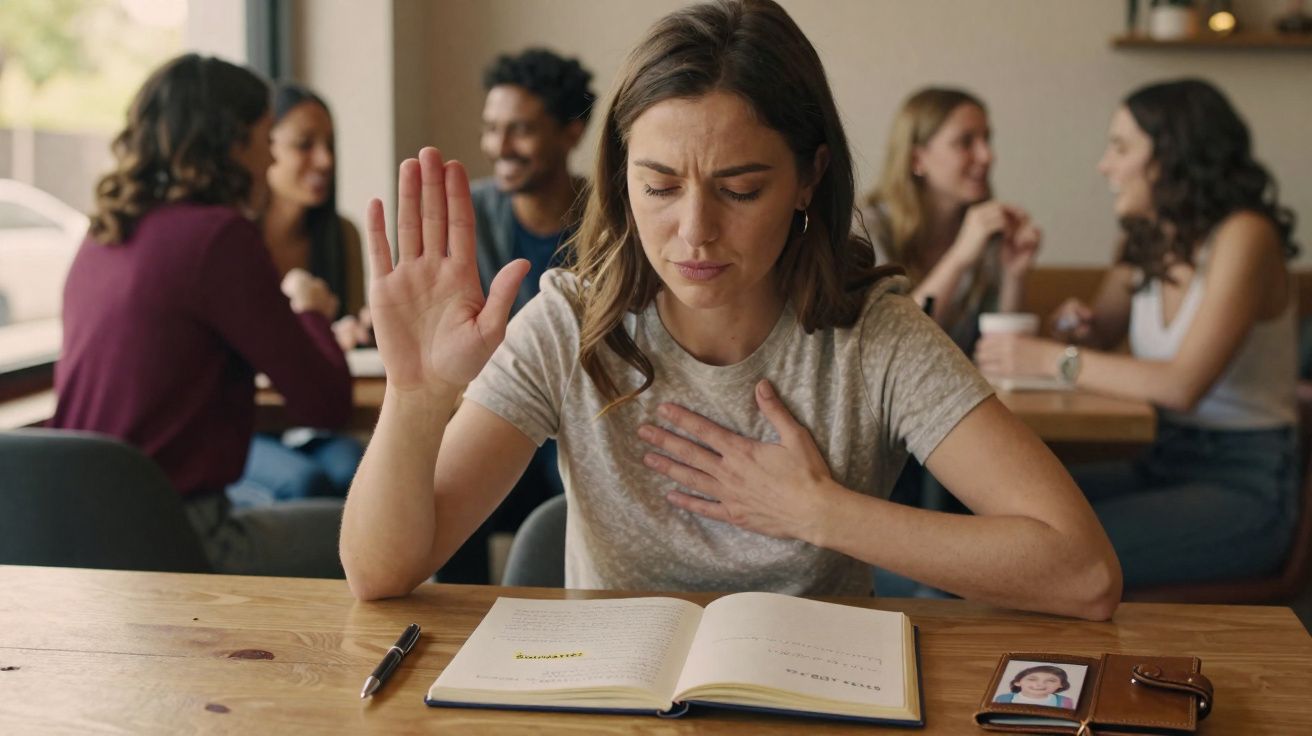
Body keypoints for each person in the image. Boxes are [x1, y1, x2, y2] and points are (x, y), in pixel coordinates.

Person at [340, 0, 1120, 619]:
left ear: (809, 177)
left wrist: (821, 512)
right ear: (620, 174)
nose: (695, 231)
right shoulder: (570, 323)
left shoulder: (875, 336)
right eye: (659, 186)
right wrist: (417, 396)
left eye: (740, 190)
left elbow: (1083, 574)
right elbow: (379, 572)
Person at [976, 79, 1300, 589]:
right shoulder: (1145, 236)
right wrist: (1074, 327)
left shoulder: (1245, 235)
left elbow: (1181, 385)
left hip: (1245, 481)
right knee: (988, 514)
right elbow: (1098, 337)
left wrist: (1048, 357)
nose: (1105, 165)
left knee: (1040, 552)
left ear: (1172, 155)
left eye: (1121, 148)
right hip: (1161, 460)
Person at [51, 54, 352, 578]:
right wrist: (310, 309)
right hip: (176, 538)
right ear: (231, 142)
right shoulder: (219, 237)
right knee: (377, 537)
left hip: (73, 536)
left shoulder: (101, 235)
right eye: (264, 138)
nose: (268, 158)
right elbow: (326, 404)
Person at [439, 48, 597, 583]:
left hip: (577, 427)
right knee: (449, 484)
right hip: (494, 412)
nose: (499, 147)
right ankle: (457, 624)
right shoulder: (469, 217)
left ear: (572, 132)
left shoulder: (613, 221)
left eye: (521, 130)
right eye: (491, 129)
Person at [225, 83, 367, 508]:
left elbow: (345, 334)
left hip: (312, 421)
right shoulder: (232, 239)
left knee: (358, 470)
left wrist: (355, 331)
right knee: (307, 483)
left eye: (329, 145)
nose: (325, 160)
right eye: (304, 145)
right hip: (246, 424)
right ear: (264, 149)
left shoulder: (341, 235)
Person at [860, 87, 1041, 352]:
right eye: (965, 142)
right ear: (917, 159)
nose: (987, 155)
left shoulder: (987, 232)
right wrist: (959, 256)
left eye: (987, 139)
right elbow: (891, 343)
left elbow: (1004, 353)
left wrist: (1014, 275)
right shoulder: (867, 229)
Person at [994, 665, 1076, 709]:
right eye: (1032, 679)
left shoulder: (1065, 702)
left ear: (1061, 685)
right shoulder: (1003, 699)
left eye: (1051, 680)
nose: (1040, 684)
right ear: (1017, 682)